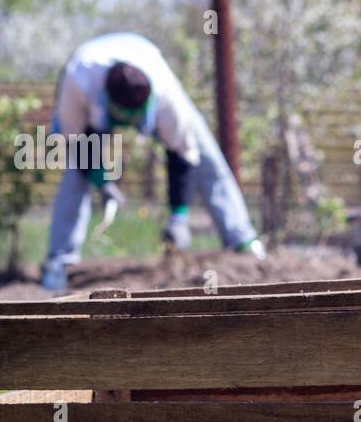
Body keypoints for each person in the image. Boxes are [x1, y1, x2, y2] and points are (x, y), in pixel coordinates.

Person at [40, 32, 264, 292]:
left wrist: (178, 216)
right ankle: (60, 261)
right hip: (85, 98)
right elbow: (76, 141)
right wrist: (102, 181)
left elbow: (182, 155)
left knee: (206, 156)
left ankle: (243, 239)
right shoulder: (78, 82)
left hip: (146, 57)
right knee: (74, 176)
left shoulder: (168, 101)